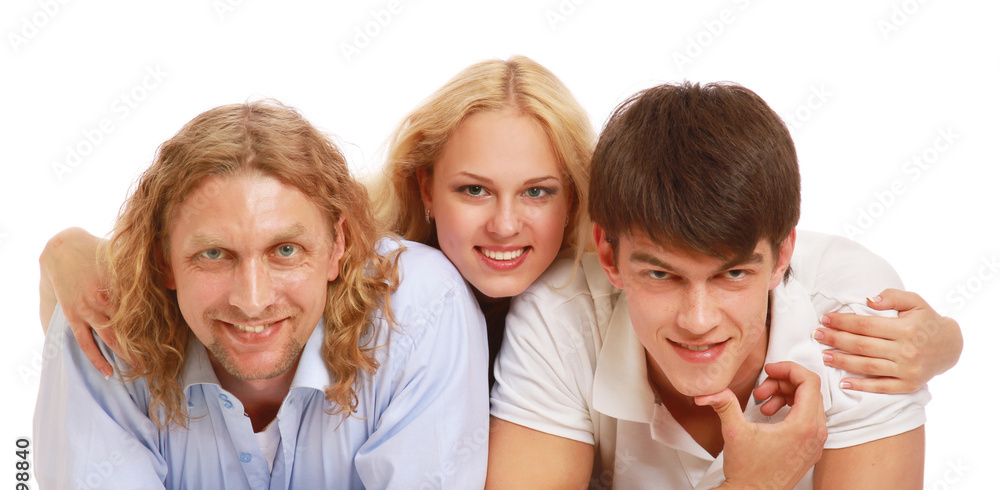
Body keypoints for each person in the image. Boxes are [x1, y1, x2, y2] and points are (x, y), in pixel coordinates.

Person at [40, 57, 962, 395]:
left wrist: (944, 339)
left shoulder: (624, 281)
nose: (507, 225)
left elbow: (767, 254)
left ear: (587, 207)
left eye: (542, 191)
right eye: (475, 190)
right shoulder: (348, 266)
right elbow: (173, 258)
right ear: (423, 187)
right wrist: (66, 249)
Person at [477, 81, 947, 490]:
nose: (698, 320)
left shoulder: (854, 317)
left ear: (783, 256)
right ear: (608, 255)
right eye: (661, 275)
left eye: (732, 275)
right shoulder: (560, 313)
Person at [35, 100, 489, 490]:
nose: (252, 301)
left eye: (286, 250)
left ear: (338, 246)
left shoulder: (419, 308)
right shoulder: (101, 318)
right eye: (213, 254)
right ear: (162, 260)